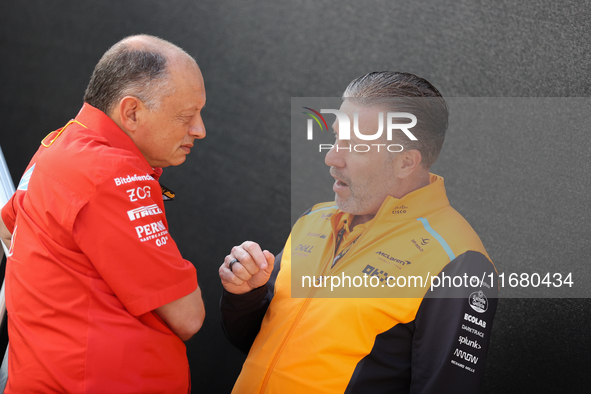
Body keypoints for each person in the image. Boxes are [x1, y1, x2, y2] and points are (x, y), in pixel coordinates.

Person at [219, 71, 498, 393]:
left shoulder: (460, 260)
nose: (331, 157)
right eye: (336, 138)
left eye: (353, 146)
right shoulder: (316, 219)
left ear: (406, 163)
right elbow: (257, 343)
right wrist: (245, 294)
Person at [0, 35, 206, 393]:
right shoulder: (111, 173)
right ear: (131, 112)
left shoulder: (58, 143)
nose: (199, 130)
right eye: (187, 116)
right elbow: (189, 317)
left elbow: (8, 228)